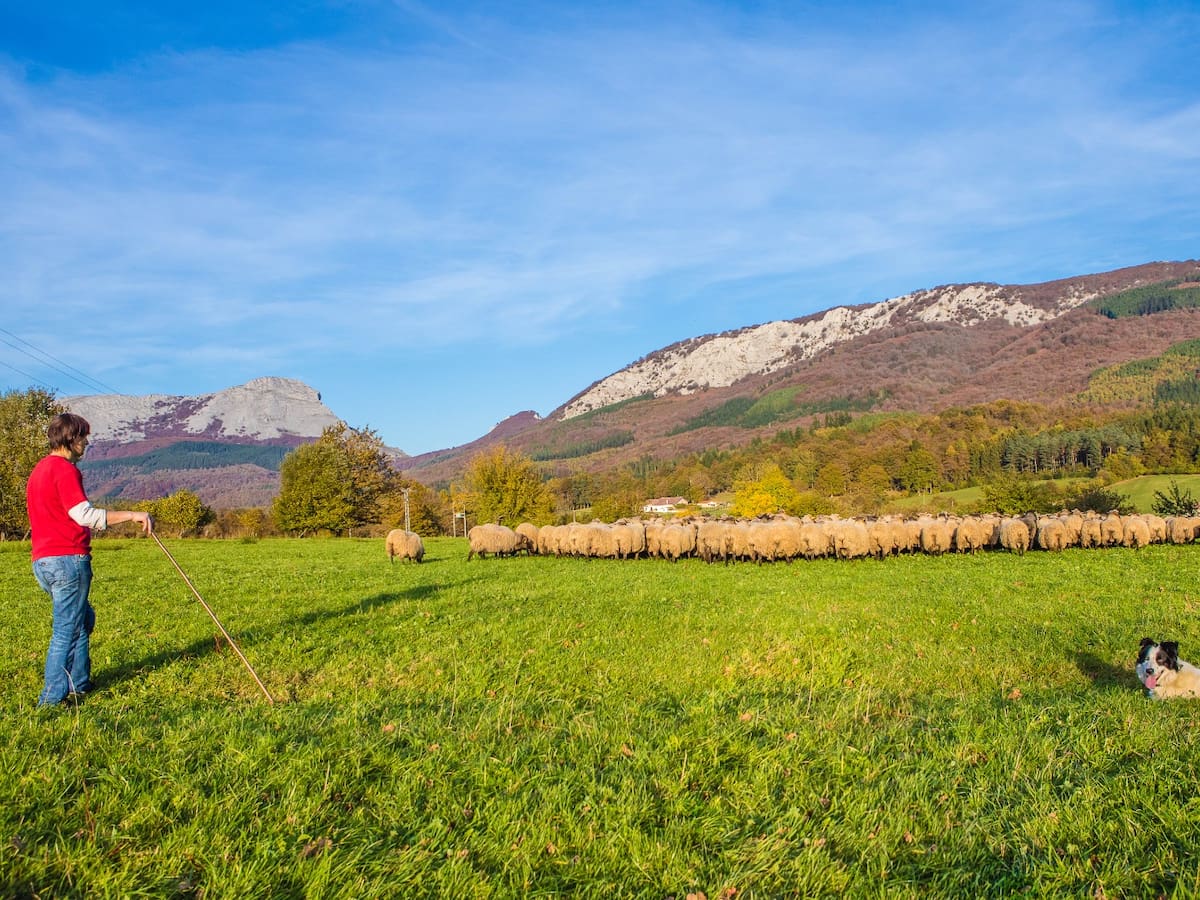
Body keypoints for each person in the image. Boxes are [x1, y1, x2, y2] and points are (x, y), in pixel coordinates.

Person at [26, 412, 152, 707]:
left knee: (82, 620)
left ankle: (79, 683)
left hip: (42, 562)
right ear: (71, 438)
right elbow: (85, 516)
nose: (87, 442)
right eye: (83, 436)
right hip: (68, 559)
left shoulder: (39, 470)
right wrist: (133, 514)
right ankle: (52, 700)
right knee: (66, 630)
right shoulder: (64, 469)